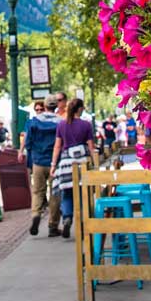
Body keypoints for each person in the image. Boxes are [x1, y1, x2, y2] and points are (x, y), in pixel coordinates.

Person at [51, 97, 95, 238]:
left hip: (65, 163)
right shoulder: (86, 125)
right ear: (80, 109)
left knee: (67, 194)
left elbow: (57, 146)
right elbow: (91, 147)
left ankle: (67, 218)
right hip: (81, 162)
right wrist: (94, 163)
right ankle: (82, 223)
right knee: (83, 193)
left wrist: (53, 165)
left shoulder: (62, 125)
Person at [20, 94, 62, 237]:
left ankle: (36, 214)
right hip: (54, 163)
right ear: (56, 106)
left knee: (37, 192)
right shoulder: (60, 122)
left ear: (44, 106)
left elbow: (28, 142)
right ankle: (53, 225)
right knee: (55, 193)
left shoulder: (34, 121)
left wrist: (31, 158)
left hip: (38, 161)